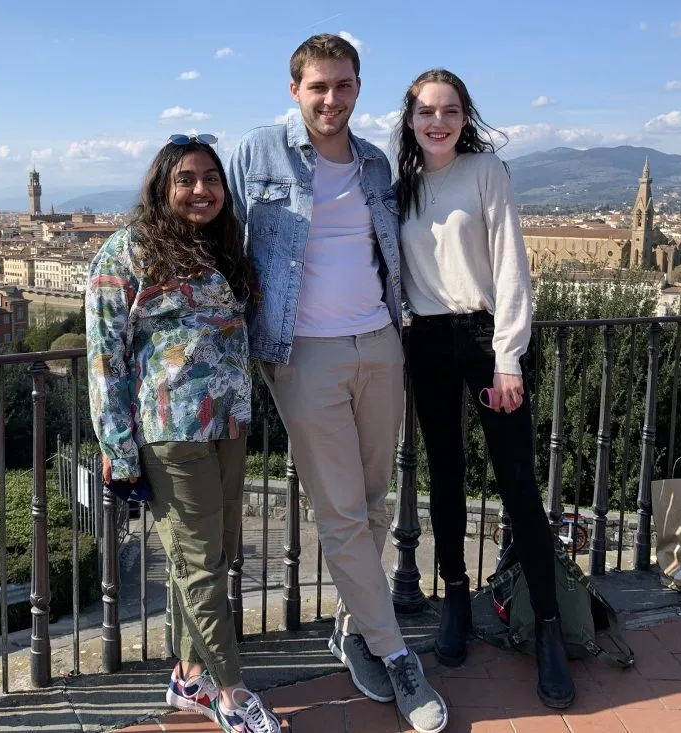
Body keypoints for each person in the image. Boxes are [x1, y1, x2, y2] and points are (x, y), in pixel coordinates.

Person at [227, 34, 447, 733]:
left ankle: (354, 627)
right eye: (319, 86)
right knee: (344, 513)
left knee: (375, 499)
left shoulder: (377, 162)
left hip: (382, 342)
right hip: (302, 353)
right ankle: (396, 653)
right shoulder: (257, 152)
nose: (332, 99)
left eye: (344, 85)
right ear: (295, 89)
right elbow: (215, 235)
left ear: (358, 88)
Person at [391, 68, 575, 709]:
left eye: (448, 110)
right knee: (443, 475)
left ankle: (549, 625)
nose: (436, 121)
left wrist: (508, 359)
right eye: (424, 112)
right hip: (427, 339)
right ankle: (455, 601)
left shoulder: (487, 171)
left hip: (485, 336)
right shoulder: (403, 186)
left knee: (519, 482)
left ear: (465, 116)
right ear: (409, 120)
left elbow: (510, 265)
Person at [86, 134, 281, 733]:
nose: (202, 191)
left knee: (210, 556)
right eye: (187, 180)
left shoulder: (222, 248)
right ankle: (232, 694)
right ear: (162, 186)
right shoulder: (126, 252)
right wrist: (119, 451)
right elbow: (104, 357)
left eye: (212, 179)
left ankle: (188, 677)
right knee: (200, 565)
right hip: (169, 432)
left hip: (228, 424)